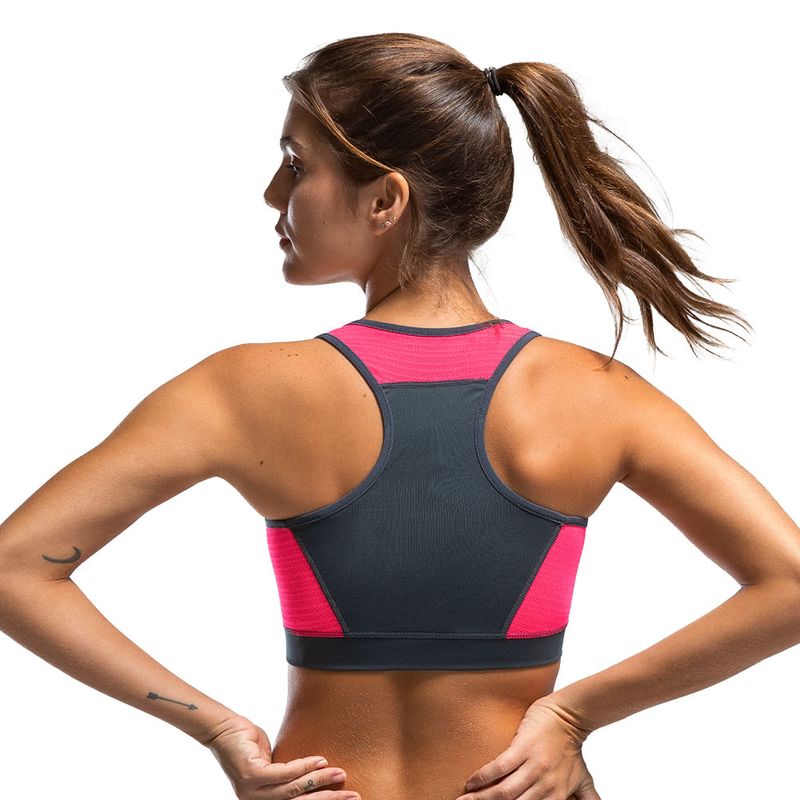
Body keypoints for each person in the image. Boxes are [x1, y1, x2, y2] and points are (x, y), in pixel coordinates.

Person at [2, 30, 800, 800]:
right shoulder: (594, 393)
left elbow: (16, 568)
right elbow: (790, 585)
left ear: (384, 198)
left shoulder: (243, 389)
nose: (274, 193)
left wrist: (218, 729)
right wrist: (572, 714)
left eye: (294, 164)